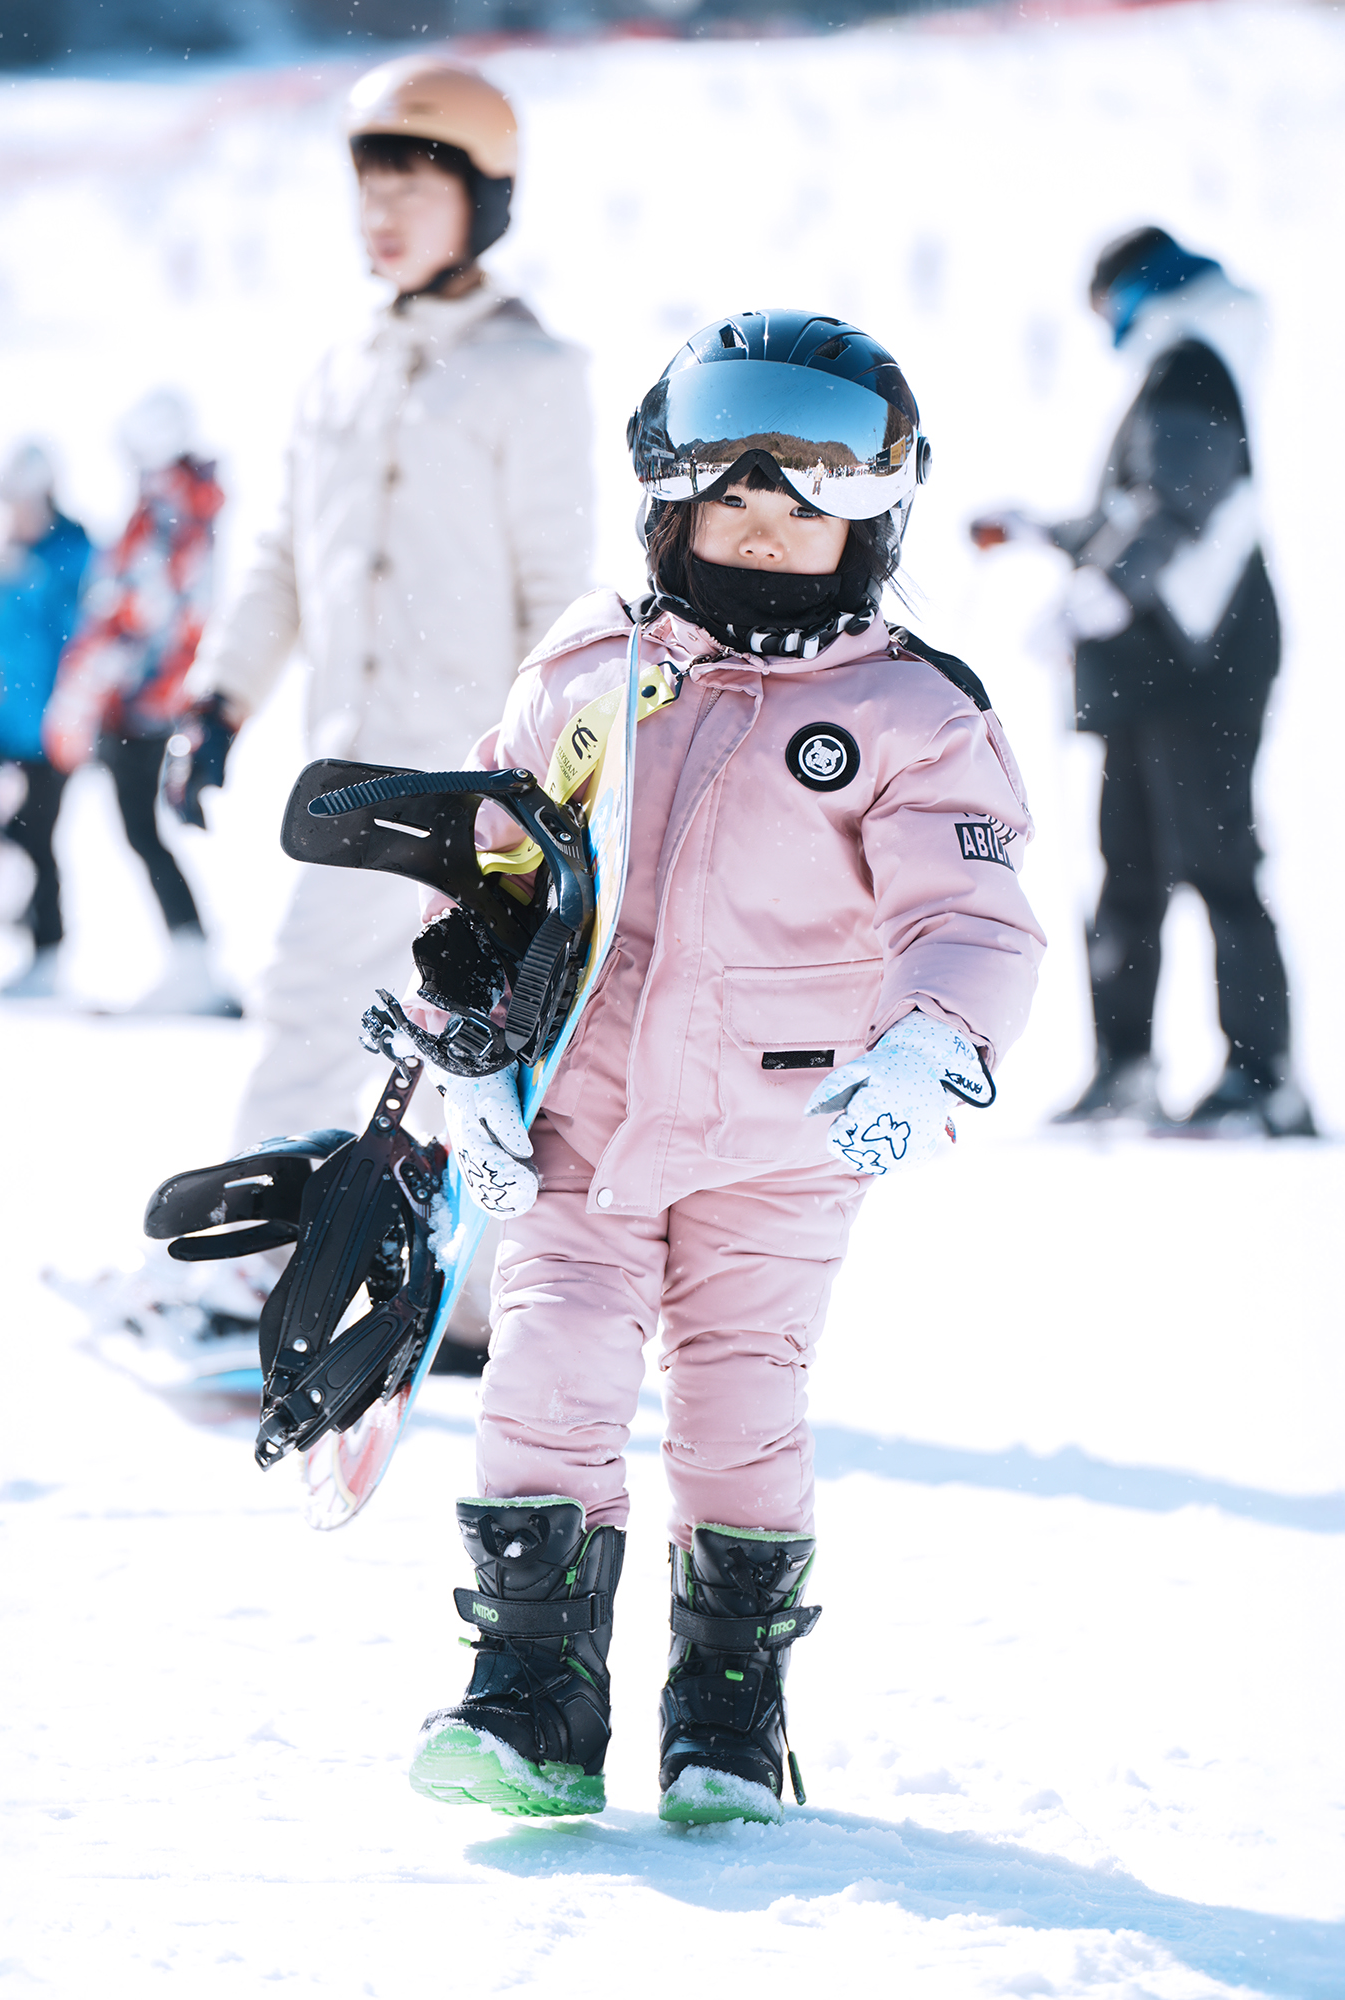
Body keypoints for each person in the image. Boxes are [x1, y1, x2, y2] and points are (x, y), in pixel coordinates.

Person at [399, 313, 1045, 1826]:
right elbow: (489, 881)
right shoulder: (587, 670)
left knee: (742, 1411)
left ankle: (731, 1718)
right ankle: (529, 1701)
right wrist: (472, 1065)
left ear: (871, 530)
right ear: (668, 510)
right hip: (581, 1124)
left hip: (785, 1137)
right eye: (731, 506)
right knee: (546, 1383)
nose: (762, 536)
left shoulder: (906, 717)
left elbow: (972, 915)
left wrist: (931, 1047)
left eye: (802, 513)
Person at [184, 54, 594, 1150]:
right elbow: (282, 555)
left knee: (463, 1034)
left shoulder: (529, 371)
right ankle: (284, 1266)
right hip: (348, 760)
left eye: (416, 187)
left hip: (468, 779)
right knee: (327, 1005)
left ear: (483, 199)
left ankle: (449, 1303)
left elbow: (557, 598)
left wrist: (545, 785)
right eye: (371, 187)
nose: (384, 214)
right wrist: (217, 698)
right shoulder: (345, 368)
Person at [971, 227, 1316, 1138]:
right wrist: (1044, 533)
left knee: (1217, 869)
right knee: (1129, 873)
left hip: (1198, 666)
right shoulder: (1181, 365)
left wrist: (1094, 601)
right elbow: (1134, 515)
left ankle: (1264, 1083)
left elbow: (1172, 517)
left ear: (1134, 292)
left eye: (1102, 308)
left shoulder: (1193, 366)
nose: (1101, 329)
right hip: (1153, 668)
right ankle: (1124, 1070)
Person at [42, 389, 241, 1018]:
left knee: (142, 830)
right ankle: (191, 958)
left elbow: (130, 616)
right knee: (142, 830)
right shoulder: (185, 506)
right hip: (154, 695)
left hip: (143, 702)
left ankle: (193, 961)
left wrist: (87, 691)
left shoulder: (168, 513)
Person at [0, 441, 94, 999]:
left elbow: (72, 640)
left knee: (36, 835)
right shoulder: (7, 556)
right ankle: (12, 925)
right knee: (0, 827)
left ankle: (49, 951)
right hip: (0, 724)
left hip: (52, 728)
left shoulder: (71, 555)